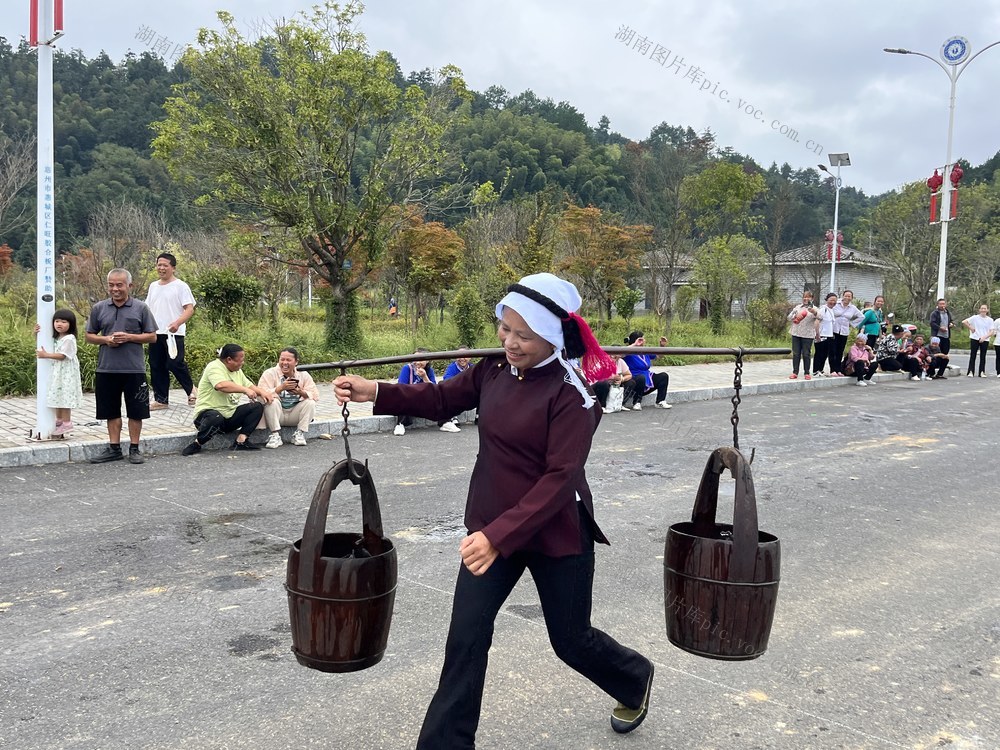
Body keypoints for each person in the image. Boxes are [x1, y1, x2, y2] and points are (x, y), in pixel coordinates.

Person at [333, 273, 654, 746]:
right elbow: (442, 399)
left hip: (553, 533)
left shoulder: (574, 395)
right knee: (465, 640)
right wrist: (376, 392)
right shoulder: (493, 371)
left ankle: (633, 678)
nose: (510, 342)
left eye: (524, 336)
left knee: (570, 642)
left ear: (551, 335)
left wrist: (497, 536)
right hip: (491, 534)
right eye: (505, 329)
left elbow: (559, 480)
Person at [85, 268, 158, 464]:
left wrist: (130, 337)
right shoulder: (99, 308)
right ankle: (114, 448)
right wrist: (106, 340)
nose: (115, 289)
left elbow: (152, 336)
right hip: (106, 369)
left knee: (136, 411)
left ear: (129, 286)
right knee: (110, 411)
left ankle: (134, 448)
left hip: (134, 369)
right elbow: (89, 336)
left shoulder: (141, 308)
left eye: (119, 285)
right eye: (111, 285)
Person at [181, 344, 273, 456]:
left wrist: (263, 392)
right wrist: (244, 390)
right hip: (206, 418)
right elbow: (221, 385)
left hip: (228, 417)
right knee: (215, 416)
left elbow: (249, 385)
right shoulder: (214, 367)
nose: (242, 363)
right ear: (229, 359)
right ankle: (197, 443)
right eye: (240, 360)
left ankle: (241, 441)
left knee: (256, 407)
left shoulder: (237, 371)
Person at [145, 252, 197, 410]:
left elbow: (189, 309)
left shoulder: (181, 286)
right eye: (159, 265)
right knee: (156, 365)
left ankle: (192, 391)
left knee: (175, 363)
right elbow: (147, 308)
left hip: (174, 333)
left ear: (173, 268)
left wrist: (177, 322)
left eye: (165, 265)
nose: (161, 268)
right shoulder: (153, 286)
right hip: (155, 332)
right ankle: (161, 400)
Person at [34, 309, 84, 436]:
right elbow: (45, 343)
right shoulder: (57, 336)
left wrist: (46, 355)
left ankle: (67, 423)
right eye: (57, 321)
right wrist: (37, 333)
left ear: (71, 324)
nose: (59, 324)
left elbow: (63, 356)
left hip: (67, 372)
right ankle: (59, 420)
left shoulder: (69, 338)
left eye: (63, 321)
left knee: (65, 396)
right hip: (58, 371)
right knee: (57, 394)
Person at [257, 347, 319, 448]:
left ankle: (299, 433)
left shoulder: (303, 375)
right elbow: (260, 395)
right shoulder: (269, 373)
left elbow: (315, 395)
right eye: (282, 359)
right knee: (271, 401)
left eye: (288, 360)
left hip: (295, 415)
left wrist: (301, 392)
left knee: (310, 402)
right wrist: (279, 389)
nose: (284, 363)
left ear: (296, 362)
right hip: (276, 415)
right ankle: (275, 435)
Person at [393, 349, 437, 436]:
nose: (417, 362)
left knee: (440, 397)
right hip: (409, 397)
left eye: (421, 359)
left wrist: (425, 377)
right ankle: (400, 424)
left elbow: (435, 389)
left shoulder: (429, 370)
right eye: (415, 359)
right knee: (404, 398)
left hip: (423, 400)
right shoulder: (407, 368)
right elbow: (401, 388)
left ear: (427, 360)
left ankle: (445, 422)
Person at [622, 331, 671, 408]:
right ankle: (637, 402)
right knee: (641, 378)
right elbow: (620, 353)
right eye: (642, 339)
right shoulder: (628, 352)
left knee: (663, 376)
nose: (644, 341)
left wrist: (662, 346)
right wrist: (634, 344)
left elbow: (658, 356)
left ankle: (660, 401)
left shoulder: (644, 350)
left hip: (647, 377)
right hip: (635, 380)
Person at [439, 347, 474, 432]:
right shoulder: (452, 368)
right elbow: (446, 381)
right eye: (459, 356)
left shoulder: (473, 367)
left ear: (470, 357)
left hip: (470, 393)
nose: (462, 359)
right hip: (457, 392)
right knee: (447, 389)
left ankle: (479, 416)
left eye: (465, 356)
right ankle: (452, 417)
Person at [787, 291, 819, 380]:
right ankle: (795, 372)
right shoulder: (798, 307)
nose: (806, 299)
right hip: (796, 333)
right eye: (804, 297)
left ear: (812, 299)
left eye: (808, 297)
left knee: (806, 354)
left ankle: (807, 373)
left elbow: (820, 317)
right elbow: (789, 317)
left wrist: (814, 312)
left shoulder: (814, 308)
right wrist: (795, 315)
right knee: (796, 354)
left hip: (808, 335)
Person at [832, 290, 864, 375]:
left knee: (840, 351)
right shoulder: (836, 304)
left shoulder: (853, 308)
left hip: (844, 331)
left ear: (852, 298)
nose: (847, 298)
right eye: (846, 296)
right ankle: (832, 370)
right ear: (843, 296)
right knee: (833, 351)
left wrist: (852, 323)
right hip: (834, 330)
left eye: (849, 296)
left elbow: (861, 316)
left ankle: (838, 369)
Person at [962, 304, 994, 378]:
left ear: (987, 310)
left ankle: (982, 372)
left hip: (985, 339)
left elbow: (991, 331)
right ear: (979, 310)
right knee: (973, 355)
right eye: (982, 308)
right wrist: (971, 328)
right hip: (975, 338)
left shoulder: (990, 320)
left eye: (985, 309)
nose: (983, 310)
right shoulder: (975, 318)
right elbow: (964, 322)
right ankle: (971, 371)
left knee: (983, 356)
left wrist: (984, 337)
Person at [812, 292, 839, 377]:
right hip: (821, 334)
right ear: (827, 300)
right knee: (819, 353)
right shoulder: (823, 309)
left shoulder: (831, 310)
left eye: (835, 301)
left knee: (825, 354)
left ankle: (821, 369)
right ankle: (816, 370)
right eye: (831, 300)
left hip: (829, 335)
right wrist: (817, 334)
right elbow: (817, 321)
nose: (833, 302)